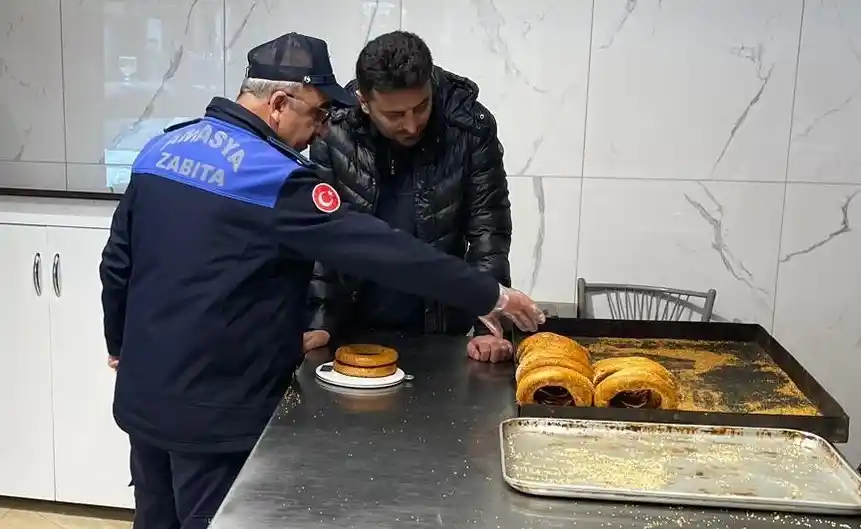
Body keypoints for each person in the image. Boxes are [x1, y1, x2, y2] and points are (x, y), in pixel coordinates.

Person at [99, 32, 544, 529]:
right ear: (279, 103)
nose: (319, 131)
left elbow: (117, 262)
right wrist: (489, 293)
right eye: (314, 114)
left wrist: (118, 342)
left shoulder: (162, 147)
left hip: (144, 397)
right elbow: (376, 248)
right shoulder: (273, 177)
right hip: (216, 411)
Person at [304, 31, 514, 363]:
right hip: (352, 329)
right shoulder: (334, 130)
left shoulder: (469, 127)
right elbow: (321, 235)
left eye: (421, 107)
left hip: (441, 330)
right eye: (395, 116)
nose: (412, 125)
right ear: (364, 102)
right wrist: (320, 321)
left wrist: (487, 325)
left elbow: (488, 229)